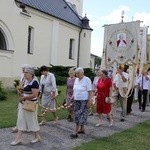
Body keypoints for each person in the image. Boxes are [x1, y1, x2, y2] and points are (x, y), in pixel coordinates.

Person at [11, 67, 40, 146]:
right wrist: (21, 94)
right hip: (23, 103)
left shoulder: (34, 82)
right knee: (21, 120)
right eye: (24, 72)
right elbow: (24, 91)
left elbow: (35, 95)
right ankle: (18, 139)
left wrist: (24, 97)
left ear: (31, 73)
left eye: (26, 72)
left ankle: (36, 136)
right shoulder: (26, 80)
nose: (24, 74)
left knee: (32, 121)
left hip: (31, 104)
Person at [70, 67, 92, 139]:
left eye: (78, 73)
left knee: (78, 115)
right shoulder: (76, 79)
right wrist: (73, 96)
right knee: (80, 115)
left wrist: (89, 100)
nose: (77, 75)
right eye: (76, 73)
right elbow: (75, 89)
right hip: (77, 100)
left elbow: (89, 91)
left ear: (82, 73)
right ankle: (82, 129)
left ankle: (75, 132)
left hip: (84, 100)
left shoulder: (87, 79)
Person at [12, 64, 32, 133]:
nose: (23, 71)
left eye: (24, 70)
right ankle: (18, 127)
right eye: (23, 70)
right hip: (22, 96)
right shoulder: (22, 75)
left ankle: (28, 127)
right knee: (19, 111)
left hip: (27, 96)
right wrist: (19, 90)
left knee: (27, 111)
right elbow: (20, 84)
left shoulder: (31, 78)